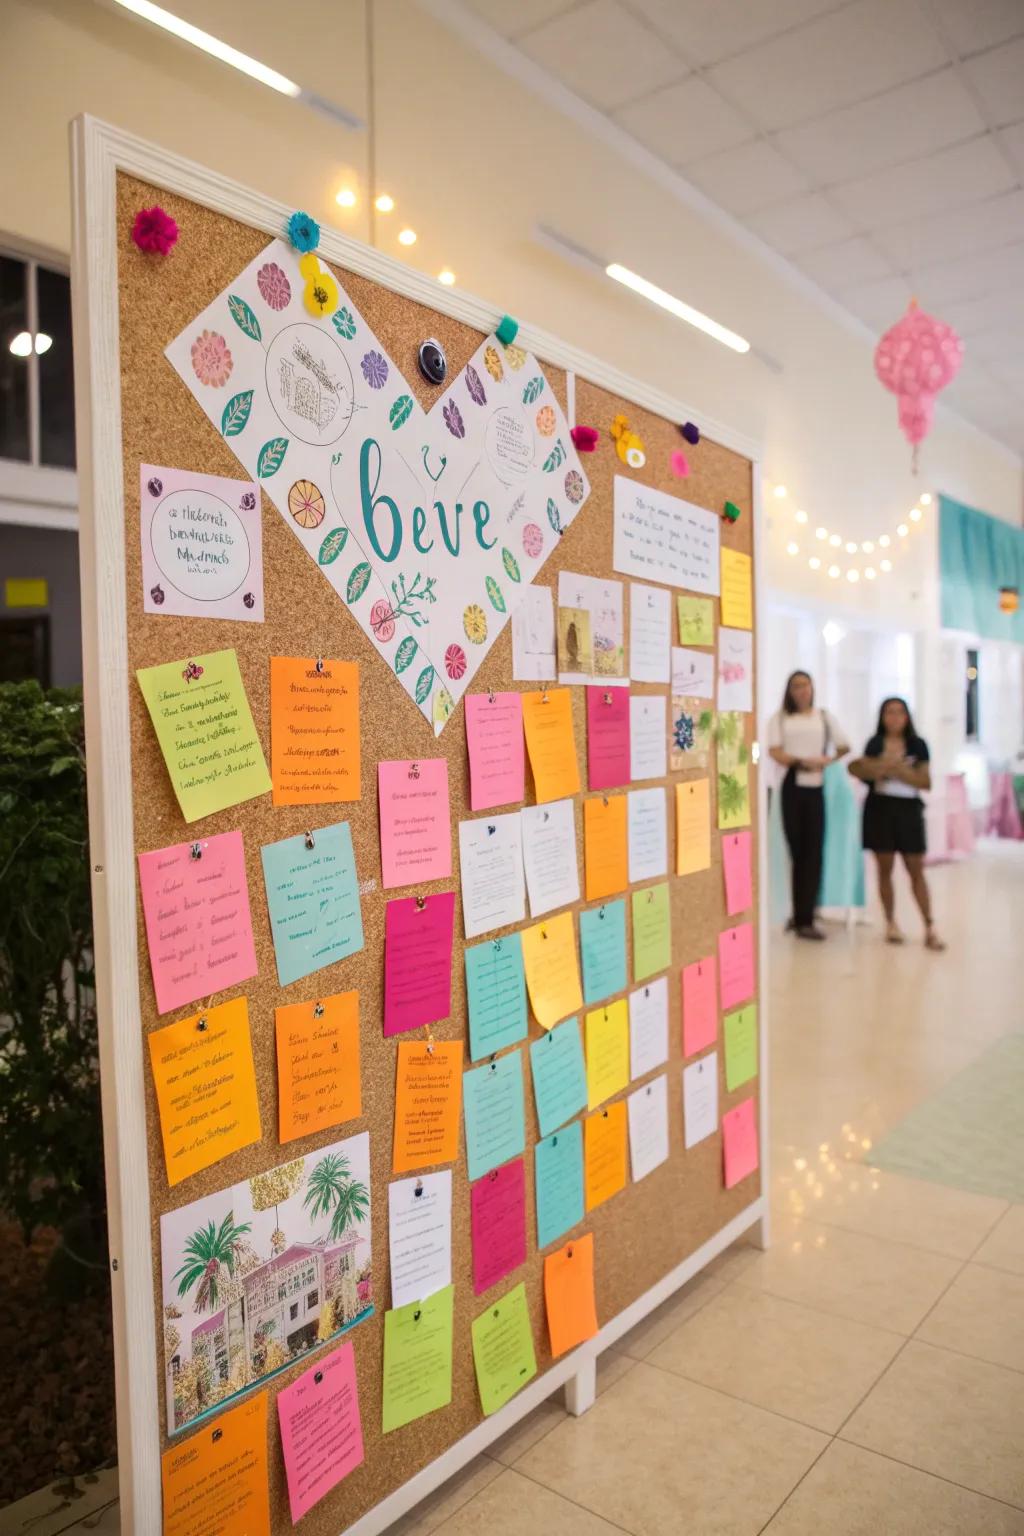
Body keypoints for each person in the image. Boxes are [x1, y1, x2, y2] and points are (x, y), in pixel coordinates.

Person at [848, 697, 945, 950]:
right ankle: (891, 922)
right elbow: (859, 769)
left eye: (899, 712)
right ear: (882, 716)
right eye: (889, 712)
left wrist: (898, 771)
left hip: (909, 810)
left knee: (916, 868)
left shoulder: (918, 745)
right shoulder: (875, 743)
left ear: (907, 716)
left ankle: (929, 925)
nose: (894, 717)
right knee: (884, 868)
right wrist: (881, 768)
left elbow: (925, 781)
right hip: (880, 809)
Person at [767, 672, 850, 940]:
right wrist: (801, 761)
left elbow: (844, 746)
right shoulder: (780, 718)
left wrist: (823, 761)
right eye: (796, 686)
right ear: (789, 690)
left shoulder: (823, 717)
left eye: (805, 685)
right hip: (792, 785)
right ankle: (797, 913)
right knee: (796, 852)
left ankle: (808, 915)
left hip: (816, 787)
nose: (802, 691)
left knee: (813, 854)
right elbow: (775, 750)